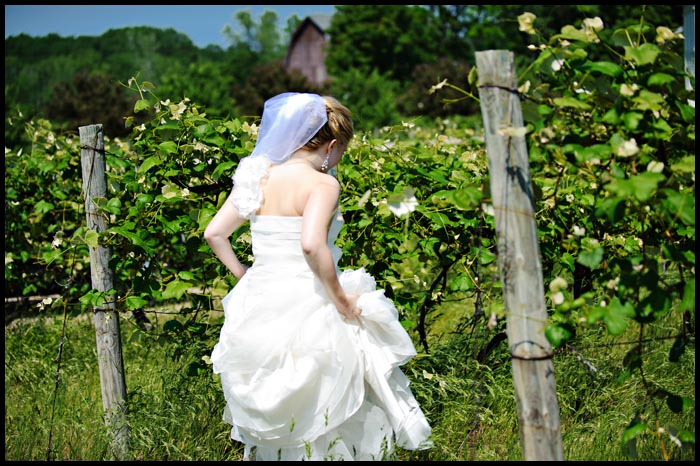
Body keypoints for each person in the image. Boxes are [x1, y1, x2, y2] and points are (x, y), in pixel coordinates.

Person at [204, 92, 432, 461]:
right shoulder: (322, 184)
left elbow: (215, 233)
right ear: (331, 146)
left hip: (261, 299)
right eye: (342, 150)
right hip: (309, 296)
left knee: (282, 390)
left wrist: (243, 275)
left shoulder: (257, 176)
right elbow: (312, 245)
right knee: (329, 391)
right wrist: (342, 300)